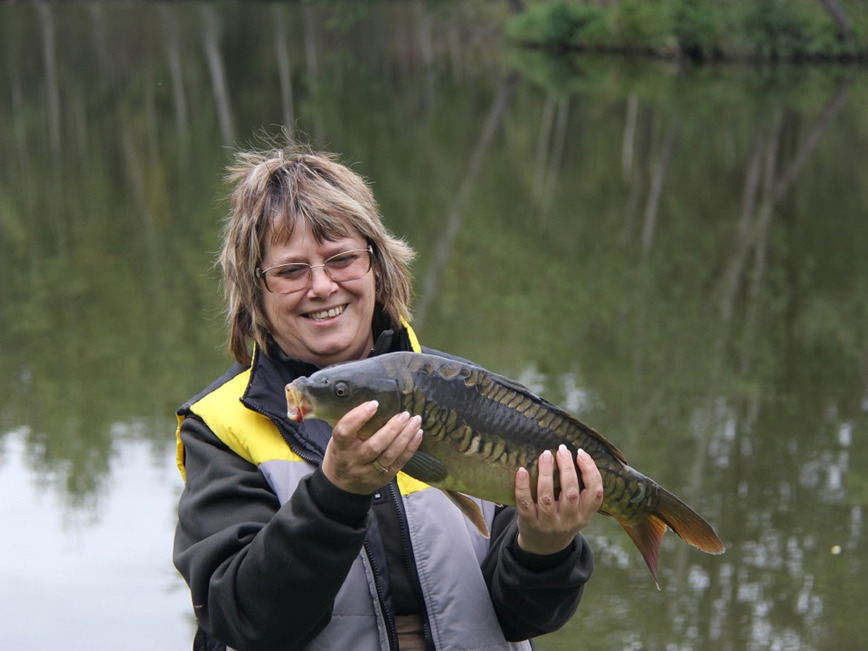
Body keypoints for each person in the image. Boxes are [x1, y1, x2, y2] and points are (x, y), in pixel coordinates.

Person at [173, 145, 604, 651]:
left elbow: (521, 616)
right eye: (291, 271)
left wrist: (547, 547)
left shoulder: (468, 397)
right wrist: (334, 496)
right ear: (253, 291)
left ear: (378, 266)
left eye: (342, 259)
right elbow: (243, 621)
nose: (321, 286)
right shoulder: (223, 426)